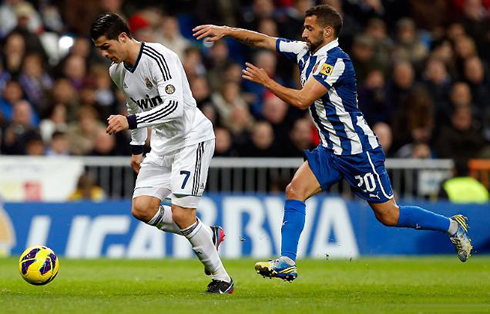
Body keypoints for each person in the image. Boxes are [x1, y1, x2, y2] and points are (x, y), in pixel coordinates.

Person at [193, 4, 472, 282]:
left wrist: (267, 82)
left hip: (357, 150)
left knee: (389, 215)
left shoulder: (336, 61)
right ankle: (287, 261)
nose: (303, 33)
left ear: (327, 31)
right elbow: (262, 39)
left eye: (309, 28)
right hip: (330, 150)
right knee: (294, 190)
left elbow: (303, 99)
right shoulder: (305, 51)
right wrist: (226, 31)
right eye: (304, 27)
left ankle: (452, 226)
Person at [91, 13, 233, 294]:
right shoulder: (117, 71)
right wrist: (136, 148)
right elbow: (134, 107)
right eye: (100, 50)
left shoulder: (160, 57)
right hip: (162, 145)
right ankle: (208, 234)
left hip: (192, 139)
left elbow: (174, 107)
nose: (105, 54)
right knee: (142, 208)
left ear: (123, 37)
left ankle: (222, 279)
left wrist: (129, 123)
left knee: (182, 214)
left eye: (106, 47)